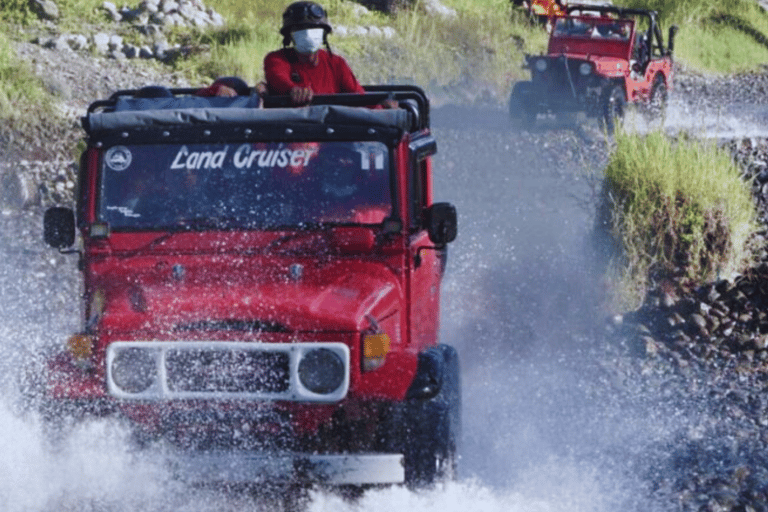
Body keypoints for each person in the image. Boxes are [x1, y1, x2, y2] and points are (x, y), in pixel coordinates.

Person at [263, 1, 396, 108]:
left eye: (314, 28)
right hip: (291, 133)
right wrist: (293, 90)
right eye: (300, 29)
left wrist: (383, 109)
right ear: (289, 35)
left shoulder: (336, 63)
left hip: (331, 135)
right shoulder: (277, 59)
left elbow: (357, 96)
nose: (308, 33)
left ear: (323, 34)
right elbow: (277, 78)